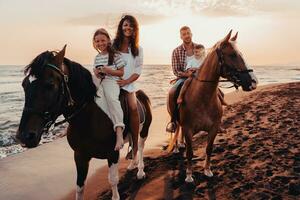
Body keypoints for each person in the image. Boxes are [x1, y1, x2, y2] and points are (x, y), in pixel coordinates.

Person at [112, 15, 143, 158]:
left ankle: (135, 145)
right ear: (121, 27)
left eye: (131, 25)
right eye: (125, 25)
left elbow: (137, 71)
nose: (127, 28)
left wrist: (125, 82)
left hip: (128, 85)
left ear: (134, 29)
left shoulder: (137, 49)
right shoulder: (113, 45)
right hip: (112, 82)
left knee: (133, 107)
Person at [92, 28, 125, 151]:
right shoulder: (97, 58)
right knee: (95, 99)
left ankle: (119, 131)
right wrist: (97, 73)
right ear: (94, 43)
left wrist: (109, 71)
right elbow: (98, 74)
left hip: (112, 81)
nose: (100, 43)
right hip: (101, 81)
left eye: (103, 40)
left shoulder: (115, 55)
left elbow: (121, 72)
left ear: (108, 40)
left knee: (112, 99)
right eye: (97, 41)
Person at [166, 26, 202, 132]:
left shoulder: (199, 48)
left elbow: (206, 62)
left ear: (191, 34)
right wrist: (187, 75)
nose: (186, 35)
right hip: (183, 78)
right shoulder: (176, 51)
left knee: (214, 89)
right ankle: (173, 121)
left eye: (188, 33)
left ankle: (215, 116)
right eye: (184, 34)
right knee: (173, 91)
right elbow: (176, 70)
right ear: (181, 37)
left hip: (200, 77)